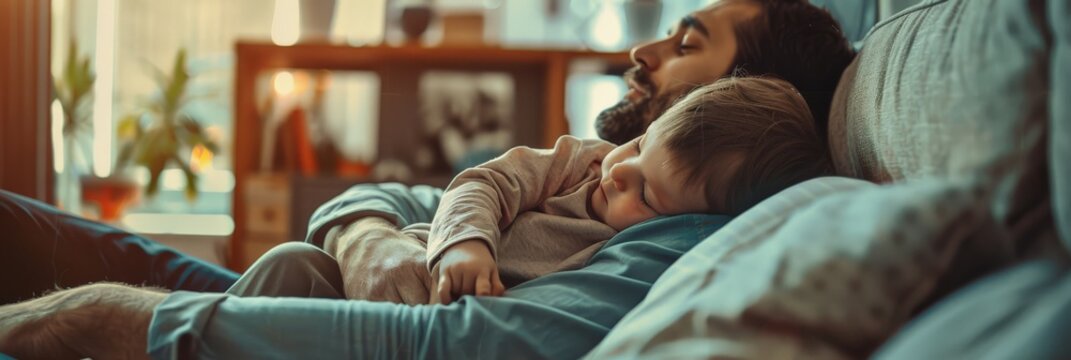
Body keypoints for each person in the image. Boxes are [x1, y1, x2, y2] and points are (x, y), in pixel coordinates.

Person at [0, 0, 856, 358]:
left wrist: (127, 321)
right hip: (327, 279)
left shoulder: (681, 235)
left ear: (749, 93)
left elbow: (452, 344)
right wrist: (374, 233)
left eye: (687, 43)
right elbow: (409, 192)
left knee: (85, 309)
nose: (641, 52)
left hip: (316, 316)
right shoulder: (587, 163)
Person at [255, 77, 831, 306]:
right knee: (291, 264)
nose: (618, 171)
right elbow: (487, 180)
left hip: (423, 319)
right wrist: (464, 244)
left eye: (649, 196)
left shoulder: (642, 259)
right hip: (417, 260)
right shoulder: (580, 159)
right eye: (638, 145)